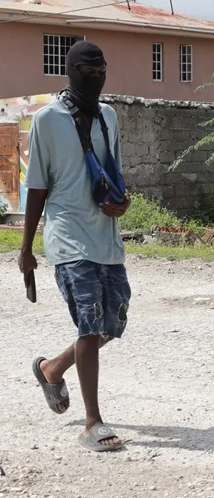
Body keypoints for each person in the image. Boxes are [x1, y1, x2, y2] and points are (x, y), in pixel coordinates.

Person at [19, 41, 132, 452]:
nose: (96, 74)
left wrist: (123, 201)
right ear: (70, 71)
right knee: (90, 323)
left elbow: (113, 169)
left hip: (105, 234)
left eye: (101, 68)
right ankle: (93, 422)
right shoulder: (47, 119)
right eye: (88, 69)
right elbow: (36, 186)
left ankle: (52, 369)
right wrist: (26, 247)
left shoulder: (109, 116)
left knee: (112, 323)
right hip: (67, 236)